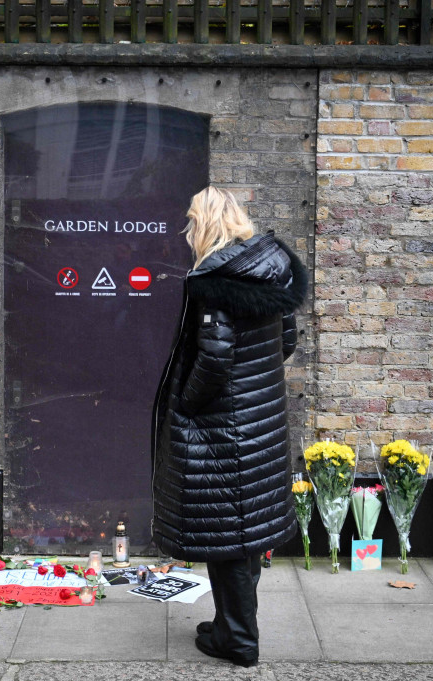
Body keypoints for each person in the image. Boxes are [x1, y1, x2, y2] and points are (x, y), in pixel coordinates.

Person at [151, 186, 308, 667]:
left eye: (191, 220)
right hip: (261, 421)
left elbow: (214, 360)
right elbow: (285, 340)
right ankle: (230, 625)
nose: (187, 229)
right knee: (243, 534)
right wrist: (252, 385)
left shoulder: (216, 279)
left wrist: (186, 404)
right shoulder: (271, 266)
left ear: (206, 224)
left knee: (228, 536)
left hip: (225, 429)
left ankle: (238, 640)